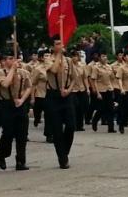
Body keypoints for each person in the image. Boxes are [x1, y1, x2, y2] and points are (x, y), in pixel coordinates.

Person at [0, 54, 31, 171]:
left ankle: (21, 161)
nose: (13, 61)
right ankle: (1, 153)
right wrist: (13, 70)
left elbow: (28, 87)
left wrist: (22, 99)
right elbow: (5, 84)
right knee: (8, 133)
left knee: (22, 134)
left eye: (14, 58)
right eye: (9, 58)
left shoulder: (23, 73)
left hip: (20, 104)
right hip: (7, 105)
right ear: (4, 61)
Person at [45, 36, 76, 169]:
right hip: (53, 96)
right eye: (57, 44)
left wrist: (68, 90)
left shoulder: (69, 61)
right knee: (57, 130)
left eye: (61, 43)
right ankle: (62, 158)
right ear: (53, 47)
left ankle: (65, 151)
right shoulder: (48, 59)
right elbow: (54, 70)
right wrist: (58, 55)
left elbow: (74, 78)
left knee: (71, 126)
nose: (60, 46)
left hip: (66, 96)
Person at [89, 52, 117, 133]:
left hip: (109, 89)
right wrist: (97, 93)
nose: (105, 58)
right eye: (103, 56)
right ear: (99, 57)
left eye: (105, 56)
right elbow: (94, 80)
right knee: (101, 109)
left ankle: (111, 128)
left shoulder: (109, 67)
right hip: (101, 90)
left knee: (110, 109)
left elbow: (112, 78)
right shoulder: (96, 67)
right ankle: (95, 120)